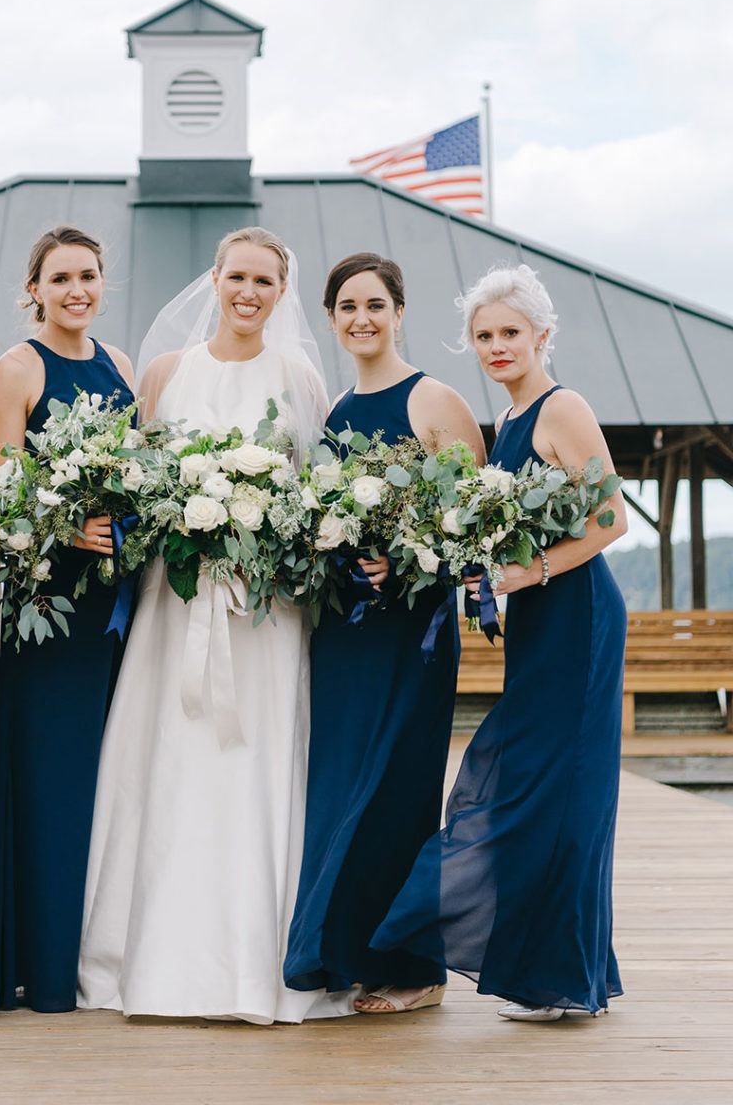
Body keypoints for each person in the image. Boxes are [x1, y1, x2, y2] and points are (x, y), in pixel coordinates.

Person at [77, 226, 357, 1025]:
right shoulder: (165, 373)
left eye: (265, 282)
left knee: (251, 754)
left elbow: (316, 499)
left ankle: (256, 962)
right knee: (166, 754)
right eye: (237, 277)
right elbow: (134, 482)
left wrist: (257, 525)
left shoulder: (301, 379)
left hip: (264, 608)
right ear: (215, 278)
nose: (249, 292)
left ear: (281, 291)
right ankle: (138, 960)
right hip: (177, 597)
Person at [370, 263, 627, 1022]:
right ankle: (558, 974)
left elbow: (612, 521)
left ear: (543, 335)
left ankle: (562, 979)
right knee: (537, 784)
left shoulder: (561, 407)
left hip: (576, 617)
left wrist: (528, 572)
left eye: (510, 332)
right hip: (539, 623)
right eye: (483, 336)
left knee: (560, 789)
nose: (496, 346)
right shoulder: (510, 425)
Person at [284, 251, 486, 1015]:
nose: (362, 319)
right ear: (333, 320)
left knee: (399, 788)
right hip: (342, 634)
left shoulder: (434, 400)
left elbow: (476, 522)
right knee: (340, 788)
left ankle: (415, 970)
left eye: (375, 304)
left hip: (412, 634)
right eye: (347, 308)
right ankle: (344, 953)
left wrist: (406, 564)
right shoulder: (333, 412)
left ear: (399, 312)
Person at [0, 225, 135, 1013]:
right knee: (51, 778)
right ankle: (39, 966)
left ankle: (94, 953)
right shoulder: (17, 369)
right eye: (61, 278)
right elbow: (0, 493)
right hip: (51, 606)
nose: (77, 289)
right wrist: (68, 526)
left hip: (117, 603)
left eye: (89, 275)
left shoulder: (121, 367)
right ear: (34, 289)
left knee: (109, 777)